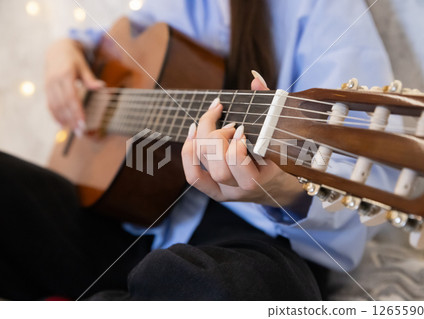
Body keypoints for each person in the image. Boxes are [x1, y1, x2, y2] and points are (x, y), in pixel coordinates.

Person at [0, 0, 394, 300]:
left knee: (203, 283)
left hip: (255, 244)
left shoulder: (323, 9)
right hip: (137, 224)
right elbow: (111, 44)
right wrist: (64, 50)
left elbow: (365, 170)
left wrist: (285, 190)